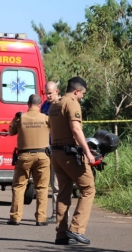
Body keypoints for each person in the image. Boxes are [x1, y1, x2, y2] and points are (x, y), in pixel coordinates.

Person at [49, 76, 95, 246]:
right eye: (82, 93)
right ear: (77, 91)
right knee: (88, 188)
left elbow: (53, 131)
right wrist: (88, 152)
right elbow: (76, 129)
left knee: (63, 194)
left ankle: (61, 235)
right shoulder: (72, 103)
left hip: (56, 154)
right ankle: (76, 229)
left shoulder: (55, 105)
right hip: (69, 154)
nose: (82, 96)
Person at [7, 94, 50, 226]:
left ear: (28, 103)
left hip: (24, 157)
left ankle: (15, 218)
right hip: (42, 156)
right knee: (42, 188)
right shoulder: (46, 118)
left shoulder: (21, 118)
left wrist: (15, 118)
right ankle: (41, 219)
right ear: (39, 104)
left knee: (19, 187)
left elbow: (11, 132)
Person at [40, 81, 60, 224]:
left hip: (57, 148)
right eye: (46, 93)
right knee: (43, 183)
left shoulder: (62, 105)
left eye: (50, 93)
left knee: (56, 183)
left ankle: (57, 214)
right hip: (45, 148)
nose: (47, 95)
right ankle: (40, 214)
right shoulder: (44, 106)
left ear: (57, 91)